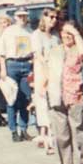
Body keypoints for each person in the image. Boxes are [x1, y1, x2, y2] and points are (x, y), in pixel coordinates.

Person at [46, 21, 83, 164]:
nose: (66, 36)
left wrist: (77, 34)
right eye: (63, 32)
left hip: (77, 95)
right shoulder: (54, 51)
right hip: (56, 96)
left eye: (70, 33)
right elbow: (47, 71)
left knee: (81, 132)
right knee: (61, 134)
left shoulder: (80, 49)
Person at [0, 8, 35, 141]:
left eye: (24, 16)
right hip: (12, 64)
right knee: (11, 99)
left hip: (26, 64)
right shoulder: (9, 31)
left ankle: (24, 128)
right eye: (20, 16)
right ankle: (13, 130)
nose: (22, 18)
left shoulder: (30, 31)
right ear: (15, 17)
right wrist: (3, 69)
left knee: (25, 98)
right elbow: (2, 52)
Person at [31, 8, 60, 152]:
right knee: (43, 104)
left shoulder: (55, 35)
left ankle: (54, 137)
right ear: (44, 18)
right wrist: (46, 73)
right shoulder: (37, 35)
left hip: (55, 70)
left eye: (56, 17)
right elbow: (38, 55)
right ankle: (47, 139)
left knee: (54, 103)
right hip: (43, 71)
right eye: (51, 17)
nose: (54, 20)